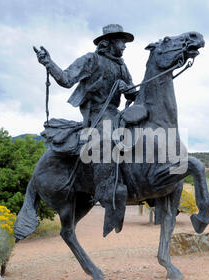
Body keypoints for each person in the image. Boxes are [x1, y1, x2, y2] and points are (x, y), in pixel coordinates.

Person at [35, 24, 137, 236]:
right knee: (107, 139)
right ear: (108, 42)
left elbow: (131, 95)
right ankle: (106, 192)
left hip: (114, 112)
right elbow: (65, 79)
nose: (125, 46)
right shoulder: (91, 60)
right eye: (122, 42)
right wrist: (48, 62)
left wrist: (129, 90)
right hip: (97, 113)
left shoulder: (122, 66)